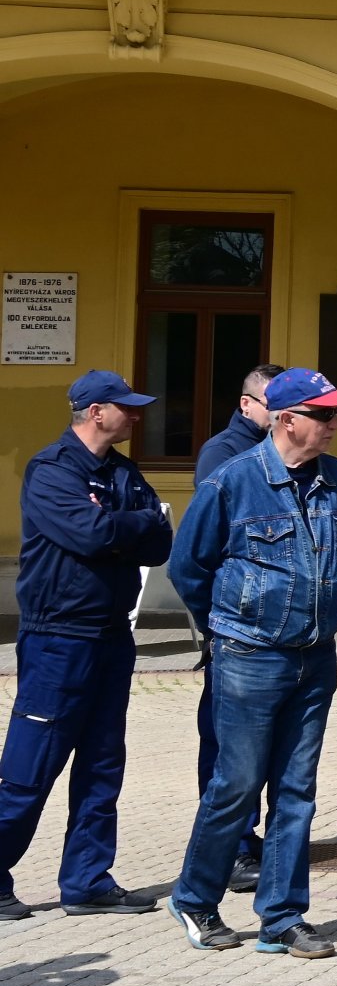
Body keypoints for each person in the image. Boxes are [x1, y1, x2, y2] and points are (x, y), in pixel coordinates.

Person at [167, 367, 337, 959]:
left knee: (297, 790)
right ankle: (196, 898)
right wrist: (235, 623)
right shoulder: (232, 482)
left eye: (336, 414)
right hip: (249, 656)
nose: (333, 425)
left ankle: (282, 917)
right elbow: (188, 568)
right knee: (237, 784)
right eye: (323, 415)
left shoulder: (334, 479)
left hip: (315, 655)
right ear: (286, 420)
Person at [0, 371, 172, 924]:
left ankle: (87, 882)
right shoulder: (52, 469)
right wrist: (132, 526)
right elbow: (90, 535)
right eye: (128, 408)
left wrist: (123, 527)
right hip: (58, 638)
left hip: (110, 636)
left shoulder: (122, 471)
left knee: (102, 764)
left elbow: (160, 541)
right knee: (31, 766)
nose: (137, 416)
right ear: (97, 412)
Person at [189, 362, 285, 895]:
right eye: (274, 404)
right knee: (229, 751)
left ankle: (256, 846)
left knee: (264, 751)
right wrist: (221, 619)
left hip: (277, 638)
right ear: (247, 404)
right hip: (236, 636)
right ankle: (233, 850)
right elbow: (195, 558)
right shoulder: (225, 456)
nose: (281, 413)